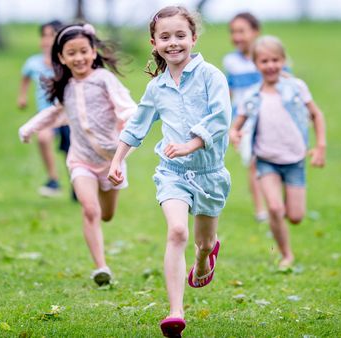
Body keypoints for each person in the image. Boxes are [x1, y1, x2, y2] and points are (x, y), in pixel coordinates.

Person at [108, 6, 231, 337]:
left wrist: (192, 144)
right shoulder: (157, 88)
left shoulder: (211, 76)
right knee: (177, 232)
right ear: (154, 43)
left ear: (193, 38)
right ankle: (176, 311)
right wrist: (118, 159)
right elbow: (138, 125)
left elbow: (221, 118)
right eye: (165, 37)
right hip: (172, 172)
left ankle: (206, 257)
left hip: (210, 174)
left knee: (203, 242)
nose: (173, 43)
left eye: (180, 36)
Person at [19, 23, 137, 286]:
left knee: (107, 214)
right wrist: (29, 128)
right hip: (81, 159)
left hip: (111, 161)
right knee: (90, 209)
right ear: (61, 57)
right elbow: (55, 112)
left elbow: (127, 107)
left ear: (93, 52)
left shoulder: (105, 80)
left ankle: (101, 248)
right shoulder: (67, 87)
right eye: (71, 53)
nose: (79, 58)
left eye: (84, 51)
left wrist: (129, 122)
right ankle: (101, 267)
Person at [230, 36, 326, 271]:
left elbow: (317, 115)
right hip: (265, 160)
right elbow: (237, 123)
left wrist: (320, 146)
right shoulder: (252, 95)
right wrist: (234, 133)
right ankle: (286, 254)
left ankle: (287, 208)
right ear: (256, 64)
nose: (270, 65)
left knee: (295, 216)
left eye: (275, 60)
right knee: (274, 208)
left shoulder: (296, 88)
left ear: (283, 60)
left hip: (294, 160)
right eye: (264, 61)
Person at [17, 20, 72, 197]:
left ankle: (76, 185)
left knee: (70, 151)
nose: (47, 40)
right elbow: (25, 77)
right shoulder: (33, 62)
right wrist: (22, 96)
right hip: (46, 114)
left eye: (52, 35)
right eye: (44, 35)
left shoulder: (66, 60)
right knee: (43, 138)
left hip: (67, 114)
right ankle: (53, 179)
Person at [223, 12, 267, 223]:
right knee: (254, 162)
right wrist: (230, 125)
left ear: (255, 32)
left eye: (242, 31)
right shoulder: (231, 61)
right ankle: (260, 210)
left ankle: (277, 202)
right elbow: (229, 92)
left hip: (268, 118)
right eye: (233, 32)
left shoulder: (268, 57)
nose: (237, 36)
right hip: (244, 120)